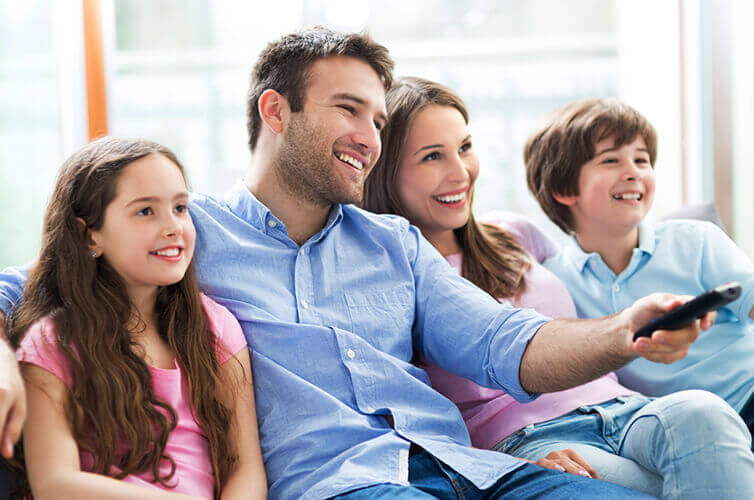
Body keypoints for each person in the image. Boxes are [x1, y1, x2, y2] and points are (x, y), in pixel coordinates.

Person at [0, 28, 712, 499]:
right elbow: (33, 282)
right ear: (276, 110)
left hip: (470, 469)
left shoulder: (395, 244)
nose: (371, 137)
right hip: (344, 484)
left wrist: (623, 332)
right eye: (349, 110)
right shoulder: (190, 233)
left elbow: (506, 343)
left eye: (377, 119)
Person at [361, 76, 754, 498]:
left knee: (704, 414)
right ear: (386, 169)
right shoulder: (388, 284)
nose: (461, 172)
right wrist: (506, 465)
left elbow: (593, 266)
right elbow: (408, 416)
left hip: (626, 409)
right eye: (432, 156)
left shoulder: (514, 234)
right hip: (538, 440)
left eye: (465, 148)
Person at [4, 137, 267, 499]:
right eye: (146, 211)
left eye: (180, 207)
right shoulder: (52, 343)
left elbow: (245, 467)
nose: (173, 226)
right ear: (88, 235)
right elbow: (55, 483)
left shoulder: (215, 328)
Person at [524, 97, 754, 444]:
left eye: (642, 159)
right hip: (682, 432)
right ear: (563, 188)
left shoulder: (695, 239)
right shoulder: (553, 282)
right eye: (611, 160)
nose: (633, 171)